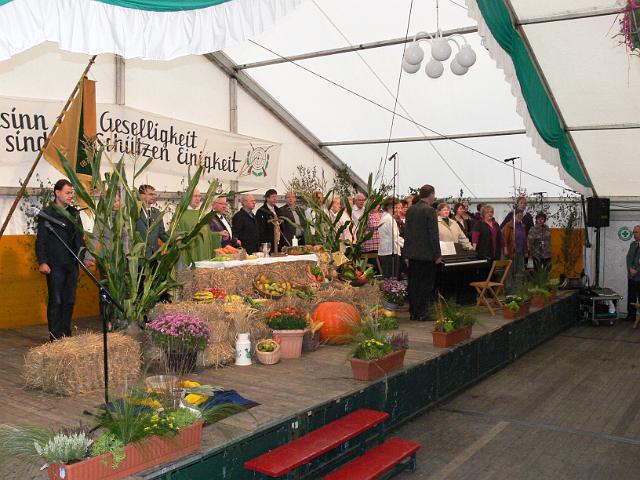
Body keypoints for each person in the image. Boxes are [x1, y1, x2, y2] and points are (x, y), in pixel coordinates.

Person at [36, 179, 94, 340]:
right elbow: (41, 240)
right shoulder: (47, 213)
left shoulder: (74, 213)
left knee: (69, 300)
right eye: (68, 193)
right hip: (54, 265)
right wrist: (42, 261)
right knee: (56, 300)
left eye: (72, 193)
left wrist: (84, 257)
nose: (71, 196)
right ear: (57, 192)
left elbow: (79, 238)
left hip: (72, 263)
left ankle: (66, 334)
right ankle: (55, 337)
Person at [404, 184, 442, 321]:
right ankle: (422, 312)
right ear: (431, 194)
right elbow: (433, 235)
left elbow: (407, 232)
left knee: (414, 284)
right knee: (425, 285)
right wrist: (437, 254)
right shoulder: (430, 211)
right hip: (426, 255)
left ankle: (413, 312)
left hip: (413, 254)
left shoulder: (411, 210)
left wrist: (407, 252)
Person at [176, 188, 219, 268]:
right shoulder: (181, 215)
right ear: (188, 197)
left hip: (203, 251)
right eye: (195, 196)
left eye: (199, 196)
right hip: (191, 251)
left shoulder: (202, 214)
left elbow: (207, 234)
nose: (198, 199)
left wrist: (219, 234)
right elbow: (176, 234)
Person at [136, 184, 169, 259]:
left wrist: (173, 242)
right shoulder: (135, 212)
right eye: (151, 194)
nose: (154, 196)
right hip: (140, 256)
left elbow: (162, 234)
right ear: (141, 195)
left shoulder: (157, 213)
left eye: (154, 194)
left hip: (155, 256)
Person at [502, 208, 528, 293]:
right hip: (511, 252)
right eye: (518, 215)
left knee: (519, 271)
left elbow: (524, 239)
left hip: (520, 252)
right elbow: (504, 239)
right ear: (514, 216)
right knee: (510, 272)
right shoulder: (508, 226)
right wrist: (506, 249)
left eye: (521, 216)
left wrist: (525, 251)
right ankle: (509, 290)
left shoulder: (522, 226)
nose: (520, 217)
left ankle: (518, 290)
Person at [378, 198, 404, 278]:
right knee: (391, 278)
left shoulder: (385, 217)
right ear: (389, 207)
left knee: (388, 278)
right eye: (396, 207)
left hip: (386, 252)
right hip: (390, 253)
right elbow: (395, 238)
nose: (398, 210)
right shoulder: (389, 219)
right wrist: (408, 245)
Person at [625, 225, 640, 321]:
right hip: (632, 276)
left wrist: (637, 270)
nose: (634, 234)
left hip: (639, 275)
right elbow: (628, 258)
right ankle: (631, 315)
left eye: (636, 232)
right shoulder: (633, 244)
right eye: (634, 232)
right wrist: (630, 269)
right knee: (631, 296)